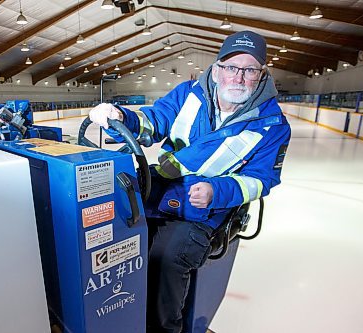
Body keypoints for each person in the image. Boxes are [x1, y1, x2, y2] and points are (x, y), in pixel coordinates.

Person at [89, 30, 291, 332]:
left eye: (249, 70)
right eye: (232, 67)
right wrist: (122, 117)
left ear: (262, 74)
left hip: (208, 208)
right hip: (163, 188)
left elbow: (262, 180)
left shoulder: (272, 125)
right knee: (115, 233)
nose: (238, 77)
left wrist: (217, 191)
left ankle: (164, 328)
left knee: (168, 256)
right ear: (218, 67)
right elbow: (153, 120)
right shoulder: (189, 94)